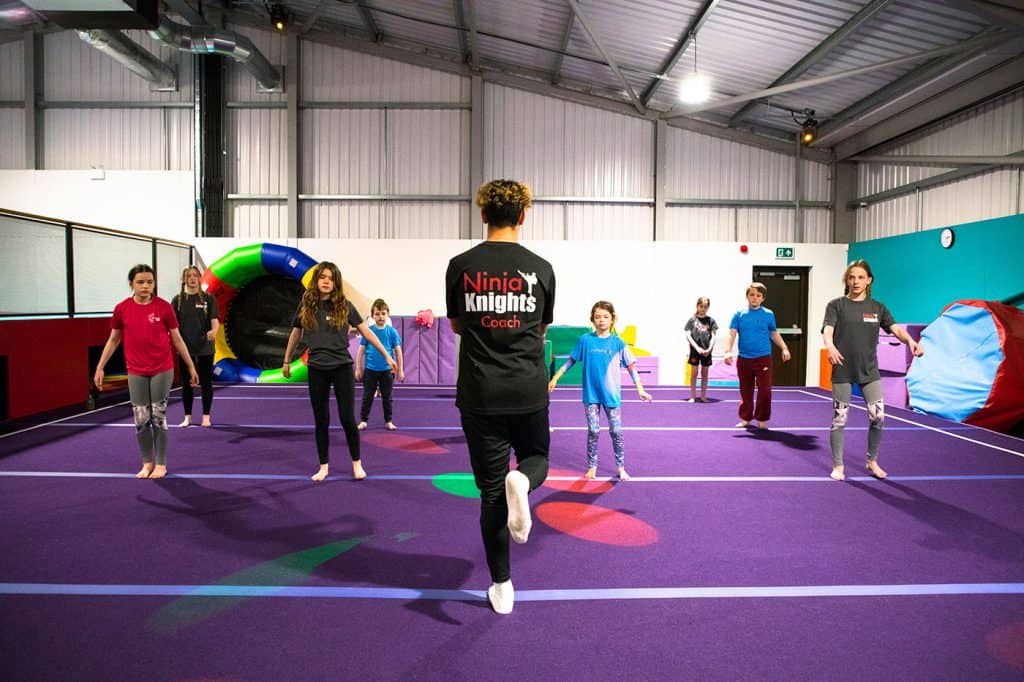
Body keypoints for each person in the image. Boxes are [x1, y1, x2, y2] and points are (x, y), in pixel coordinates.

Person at [445, 178, 555, 615]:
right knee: (537, 458)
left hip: (480, 391)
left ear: (483, 214)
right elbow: (541, 329)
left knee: (490, 493)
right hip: (527, 386)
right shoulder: (541, 267)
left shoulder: (460, 265)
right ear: (523, 216)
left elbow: (456, 325)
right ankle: (524, 481)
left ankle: (502, 586)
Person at [282, 262, 396, 482]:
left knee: (347, 418)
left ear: (335, 282)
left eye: (331, 278)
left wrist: (387, 355)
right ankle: (324, 465)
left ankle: (357, 464)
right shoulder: (306, 306)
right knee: (321, 419)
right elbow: (295, 335)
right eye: (322, 277)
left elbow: (367, 334)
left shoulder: (345, 306)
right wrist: (286, 360)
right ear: (316, 280)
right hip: (316, 368)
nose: (326, 281)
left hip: (341, 367)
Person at [93, 264, 199, 480]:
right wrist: (100, 366)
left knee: (158, 416)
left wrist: (190, 365)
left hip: (161, 368)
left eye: (149, 282)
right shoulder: (122, 308)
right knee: (141, 418)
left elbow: (177, 338)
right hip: (136, 370)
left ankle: (161, 464)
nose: (145, 286)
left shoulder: (163, 308)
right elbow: (114, 340)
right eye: (140, 282)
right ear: (131, 284)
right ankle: (147, 463)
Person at [822, 260, 923, 481]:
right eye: (851, 277)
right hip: (842, 370)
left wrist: (910, 341)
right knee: (840, 418)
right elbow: (828, 329)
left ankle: (872, 460)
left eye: (860, 277)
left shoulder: (878, 308)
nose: (855, 281)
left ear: (869, 280)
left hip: (869, 372)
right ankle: (838, 466)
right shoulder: (836, 305)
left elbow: (895, 329)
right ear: (846, 281)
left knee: (877, 417)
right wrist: (830, 346)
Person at [548, 301, 652, 481]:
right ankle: (592, 466)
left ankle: (620, 467)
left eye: (605, 317)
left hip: (611, 395)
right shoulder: (585, 340)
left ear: (612, 319)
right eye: (597, 317)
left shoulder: (618, 342)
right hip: (591, 395)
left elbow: (631, 367)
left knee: (616, 431)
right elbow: (570, 361)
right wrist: (556, 377)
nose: (601, 320)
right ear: (592, 320)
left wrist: (640, 389)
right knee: (593, 431)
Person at [723, 282, 791, 429]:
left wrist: (784, 348)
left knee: (765, 390)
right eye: (752, 295)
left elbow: (773, 333)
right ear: (747, 296)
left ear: (763, 298)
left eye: (758, 295)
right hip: (744, 359)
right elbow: (732, 334)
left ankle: (762, 419)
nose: (754, 298)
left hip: (763, 358)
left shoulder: (768, 314)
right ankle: (745, 418)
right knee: (745, 390)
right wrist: (728, 351)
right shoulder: (739, 314)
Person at [171, 265, 219, 428]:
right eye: (188, 276)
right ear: (184, 279)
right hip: (185, 348)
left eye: (195, 275)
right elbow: (173, 327)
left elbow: (215, 320)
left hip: (205, 346)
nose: (192, 278)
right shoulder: (177, 301)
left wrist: (214, 331)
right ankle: (188, 416)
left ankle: (206, 415)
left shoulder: (208, 298)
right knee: (186, 384)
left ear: (199, 278)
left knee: (206, 382)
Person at [355, 298, 405, 431]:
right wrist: (358, 368)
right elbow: (361, 351)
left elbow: (398, 351)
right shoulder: (368, 331)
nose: (380, 316)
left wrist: (400, 370)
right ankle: (364, 420)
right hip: (371, 370)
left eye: (383, 313)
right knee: (367, 396)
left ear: (387, 314)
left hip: (387, 370)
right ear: (372, 316)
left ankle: (388, 421)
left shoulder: (392, 332)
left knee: (387, 397)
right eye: (377, 314)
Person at [685, 297, 717, 403]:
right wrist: (697, 347)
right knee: (694, 373)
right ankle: (693, 396)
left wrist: (709, 348)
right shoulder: (692, 320)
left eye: (705, 307)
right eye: (701, 306)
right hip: (695, 350)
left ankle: (703, 396)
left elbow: (713, 335)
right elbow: (688, 335)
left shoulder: (711, 321)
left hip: (706, 350)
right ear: (697, 306)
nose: (703, 309)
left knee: (705, 373)